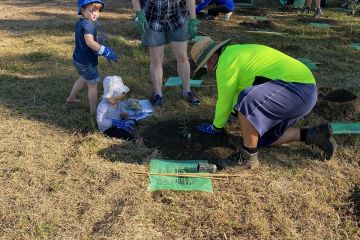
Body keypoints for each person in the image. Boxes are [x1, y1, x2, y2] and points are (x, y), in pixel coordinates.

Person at [191, 37, 336, 170]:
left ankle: (247, 158)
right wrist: (232, 112)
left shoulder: (225, 62)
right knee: (258, 139)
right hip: (301, 92)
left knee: (247, 99)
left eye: (204, 67)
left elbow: (224, 101)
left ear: (213, 57)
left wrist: (216, 127)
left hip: (297, 88)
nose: (207, 72)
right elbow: (234, 95)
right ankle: (314, 135)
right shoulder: (234, 54)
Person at [131, 0, 201, 107]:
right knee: (156, 59)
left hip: (178, 17)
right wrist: (139, 14)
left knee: (182, 57)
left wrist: (193, 19)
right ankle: (158, 94)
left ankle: (187, 91)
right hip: (152, 18)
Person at [66, 0, 119, 115]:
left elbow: (83, 40)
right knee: (92, 85)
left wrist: (97, 45)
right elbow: (90, 43)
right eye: (92, 10)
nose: (95, 13)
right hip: (87, 62)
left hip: (79, 59)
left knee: (83, 78)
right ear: (82, 10)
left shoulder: (80, 22)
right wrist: (104, 51)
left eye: (97, 10)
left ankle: (71, 98)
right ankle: (93, 111)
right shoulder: (88, 25)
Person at [97, 76, 142, 144]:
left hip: (118, 123)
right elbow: (100, 121)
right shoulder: (103, 106)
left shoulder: (116, 102)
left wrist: (123, 113)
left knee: (131, 122)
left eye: (120, 99)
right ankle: (133, 140)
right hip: (107, 129)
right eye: (116, 99)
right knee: (121, 133)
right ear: (108, 95)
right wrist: (112, 123)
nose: (118, 101)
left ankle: (130, 132)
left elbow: (119, 109)